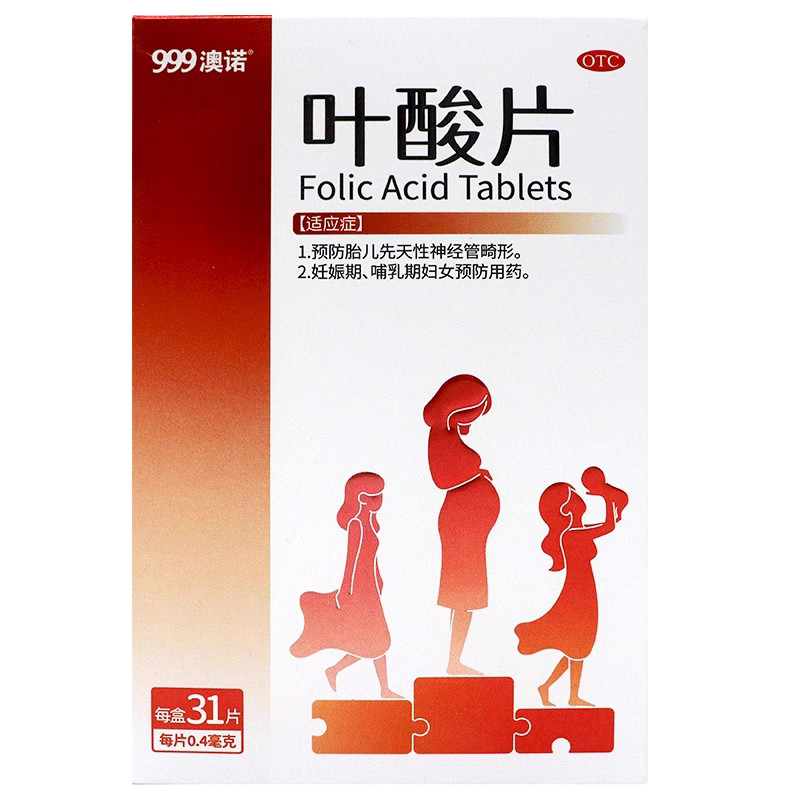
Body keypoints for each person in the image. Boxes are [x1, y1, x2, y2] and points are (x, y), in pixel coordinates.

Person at [515, 467, 627, 706]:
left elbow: (608, 525)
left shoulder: (576, 532)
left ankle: (561, 692)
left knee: (578, 645)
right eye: (575, 497)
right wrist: (605, 494)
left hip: (583, 590)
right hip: (579, 592)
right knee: (579, 642)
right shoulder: (572, 535)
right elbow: (608, 526)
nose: (581, 499)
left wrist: (608, 497)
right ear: (566, 509)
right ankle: (559, 691)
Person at [290, 472, 401, 698]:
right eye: (374, 496)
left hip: (370, 586)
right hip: (357, 588)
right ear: (361, 498)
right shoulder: (356, 524)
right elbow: (352, 558)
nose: (379, 501)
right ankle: (379, 687)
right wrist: (345, 589)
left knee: (375, 638)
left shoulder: (370, 524)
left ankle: (351, 676)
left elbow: (371, 556)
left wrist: (378, 576)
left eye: (380, 496)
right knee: (372, 637)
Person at [424, 375, 500, 675]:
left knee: (464, 597)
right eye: (475, 412)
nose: (475, 419)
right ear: (459, 409)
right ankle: (454, 662)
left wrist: (476, 473)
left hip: (469, 528)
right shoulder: (441, 436)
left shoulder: (449, 436)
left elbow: (456, 470)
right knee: (462, 596)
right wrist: (473, 472)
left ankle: (455, 660)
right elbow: (442, 477)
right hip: (461, 526)